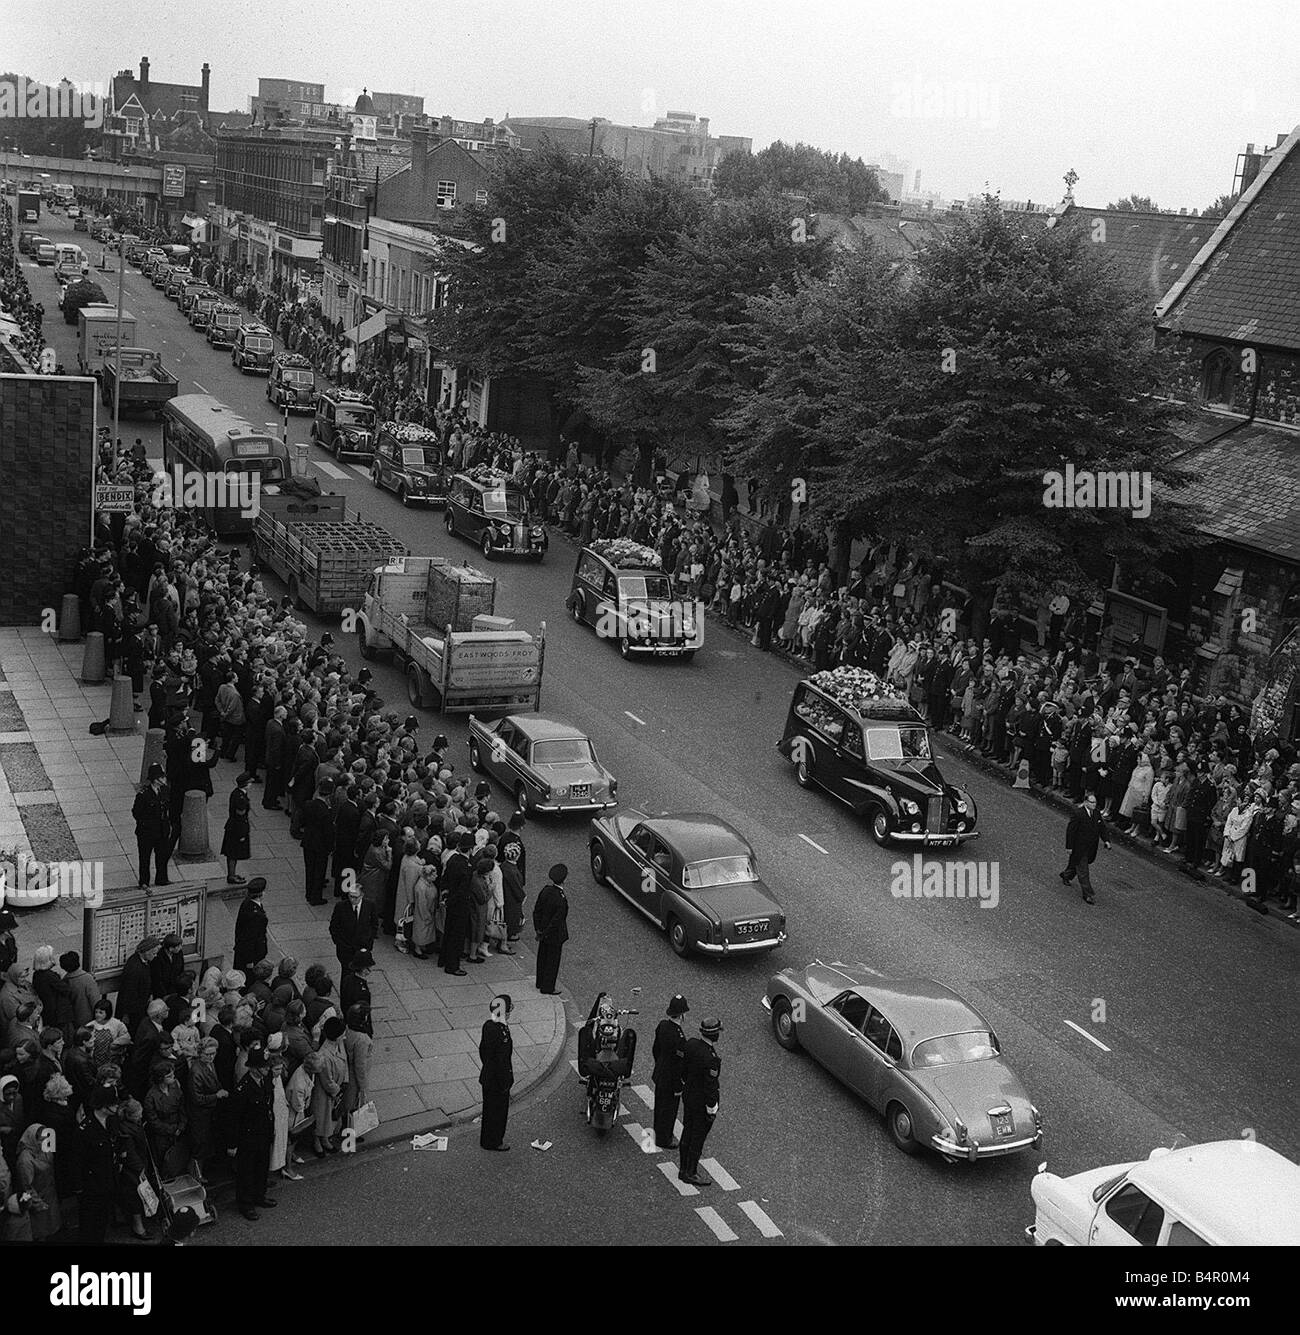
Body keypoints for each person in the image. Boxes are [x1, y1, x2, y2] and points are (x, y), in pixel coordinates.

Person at [230, 1039, 276, 1220]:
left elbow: (268, 1106)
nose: (267, 1069)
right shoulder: (243, 1089)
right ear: (255, 1068)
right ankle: (245, 1203)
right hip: (248, 1137)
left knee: (261, 1167)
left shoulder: (265, 1081)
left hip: (263, 1133)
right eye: (264, 1067)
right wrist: (232, 1143)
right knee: (246, 1171)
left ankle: (259, 1195)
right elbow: (233, 1118)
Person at [679, 1016, 723, 1186]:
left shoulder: (690, 1044)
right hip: (701, 1103)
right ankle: (691, 1172)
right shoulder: (711, 1059)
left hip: (688, 1096)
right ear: (713, 1035)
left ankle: (683, 1168)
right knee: (697, 1139)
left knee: (687, 1132)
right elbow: (710, 1088)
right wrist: (711, 1109)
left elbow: (683, 1070)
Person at [1060, 791, 1112, 905]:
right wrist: (1069, 846)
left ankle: (1066, 875)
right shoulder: (1078, 813)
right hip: (1079, 847)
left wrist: (1106, 840)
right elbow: (1071, 831)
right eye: (1091, 802)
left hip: (1090, 847)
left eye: (1095, 802)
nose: (1094, 804)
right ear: (1085, 802)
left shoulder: (1096, 814)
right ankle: (1087, 894)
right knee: (1083, 871)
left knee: (1077, 864)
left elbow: (1102, 828)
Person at [652, 994, 689, 1151]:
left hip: (660, 1073)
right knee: (669, 1111)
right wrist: (678, 1085)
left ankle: (657, 1133)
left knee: (659, 1106)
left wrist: (660, 1064)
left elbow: (656, 1049)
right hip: (671, 1080)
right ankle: (664, 1139)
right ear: (681, 1015)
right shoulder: (679, 1038)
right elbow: (678, 1065)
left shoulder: (662, 1026)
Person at [478, 995, 513, 1151]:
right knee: (497, 1113)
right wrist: (505, 1082)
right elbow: (500, 1060)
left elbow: (483, 1051)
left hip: (489, 1077)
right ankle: (493, 1141)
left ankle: (488, 1139)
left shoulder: (490, 1025)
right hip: (497, 1080)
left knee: (490, 1110)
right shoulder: (499, 1031)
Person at [310, 1016, 348, 1158]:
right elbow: (327, 1081)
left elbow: (344, 1062)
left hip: (335, 1088)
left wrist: (344, 1081)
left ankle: (324, 1139)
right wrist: (337, 1091)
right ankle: (317, 1141)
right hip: (324, 1092)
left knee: (327, 1119)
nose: (344, 1035)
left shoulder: (338, 1044)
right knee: (321, 1118)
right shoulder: (324, 1055)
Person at [132, 764, 172, 888]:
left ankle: (162, 878)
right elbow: (136, 812)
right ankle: (144, 881)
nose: (164, 779)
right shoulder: (143, 795)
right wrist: (146, 824)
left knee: (162, 856)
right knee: (145, 858)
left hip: (162, 830)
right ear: (155, 779)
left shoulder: (165, 790)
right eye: (161, 777)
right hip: (147, 832)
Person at [532, 863, 570, 995]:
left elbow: (537, 911)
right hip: (554, 935)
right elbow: (557, 921)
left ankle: (540, 982)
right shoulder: (560, 898)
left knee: (542, 958)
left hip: (542, 931)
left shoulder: (545, 890)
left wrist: (539, 930)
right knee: (552, 962)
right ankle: (548, 987)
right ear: (564, 880)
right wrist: (546, 932)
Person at [117, 935, 161, 1037]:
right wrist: (126, 1014)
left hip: (139, 1006)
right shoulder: (135, 967)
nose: (155, 956)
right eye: (154, 953)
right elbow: (129, 993)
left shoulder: (141, 961)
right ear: (146, 951)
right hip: (133, 1011)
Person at [301, 777, 336, 905]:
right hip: (320, 845)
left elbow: (302, 821)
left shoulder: (308, 804)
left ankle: (308, 892)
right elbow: (328, 832)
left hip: (308, 841)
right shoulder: (326, 812)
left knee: (309, 868)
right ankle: (316, 897)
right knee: (319, 871)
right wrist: (330, 847)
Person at [329, 881, 377, 970]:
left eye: (355, 897)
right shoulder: (341, 906)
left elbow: (374, 925)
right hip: (345, 948)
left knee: (360, 972)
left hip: (362, 947)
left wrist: (369, 941)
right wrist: (339, 943)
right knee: (346, 972)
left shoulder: (370, 905)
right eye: (350, 896)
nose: (352, 900)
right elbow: (334, 926)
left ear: (362, 895)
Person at [232, 877, 270, 972]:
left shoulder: (247, 903)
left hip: (243, 952)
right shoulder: (256, 915)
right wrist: (249, 960)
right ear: (260, 894)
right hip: (252, 955)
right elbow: (250, 937)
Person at [222, 771, 254, 884]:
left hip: (232, 827)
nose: (251, 785)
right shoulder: (240, 798)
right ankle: (231, 876)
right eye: (249, 783)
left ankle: (232, 874)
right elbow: (240, 816)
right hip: (236, 829)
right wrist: (242, 834)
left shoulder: (237, 793)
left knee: (232, 853)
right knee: (233, 854)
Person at [59, 951, 100, 1032]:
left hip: (73, 1023)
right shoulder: (87, 979)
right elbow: (95, 1002)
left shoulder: (64, 981)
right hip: (89, 1022)